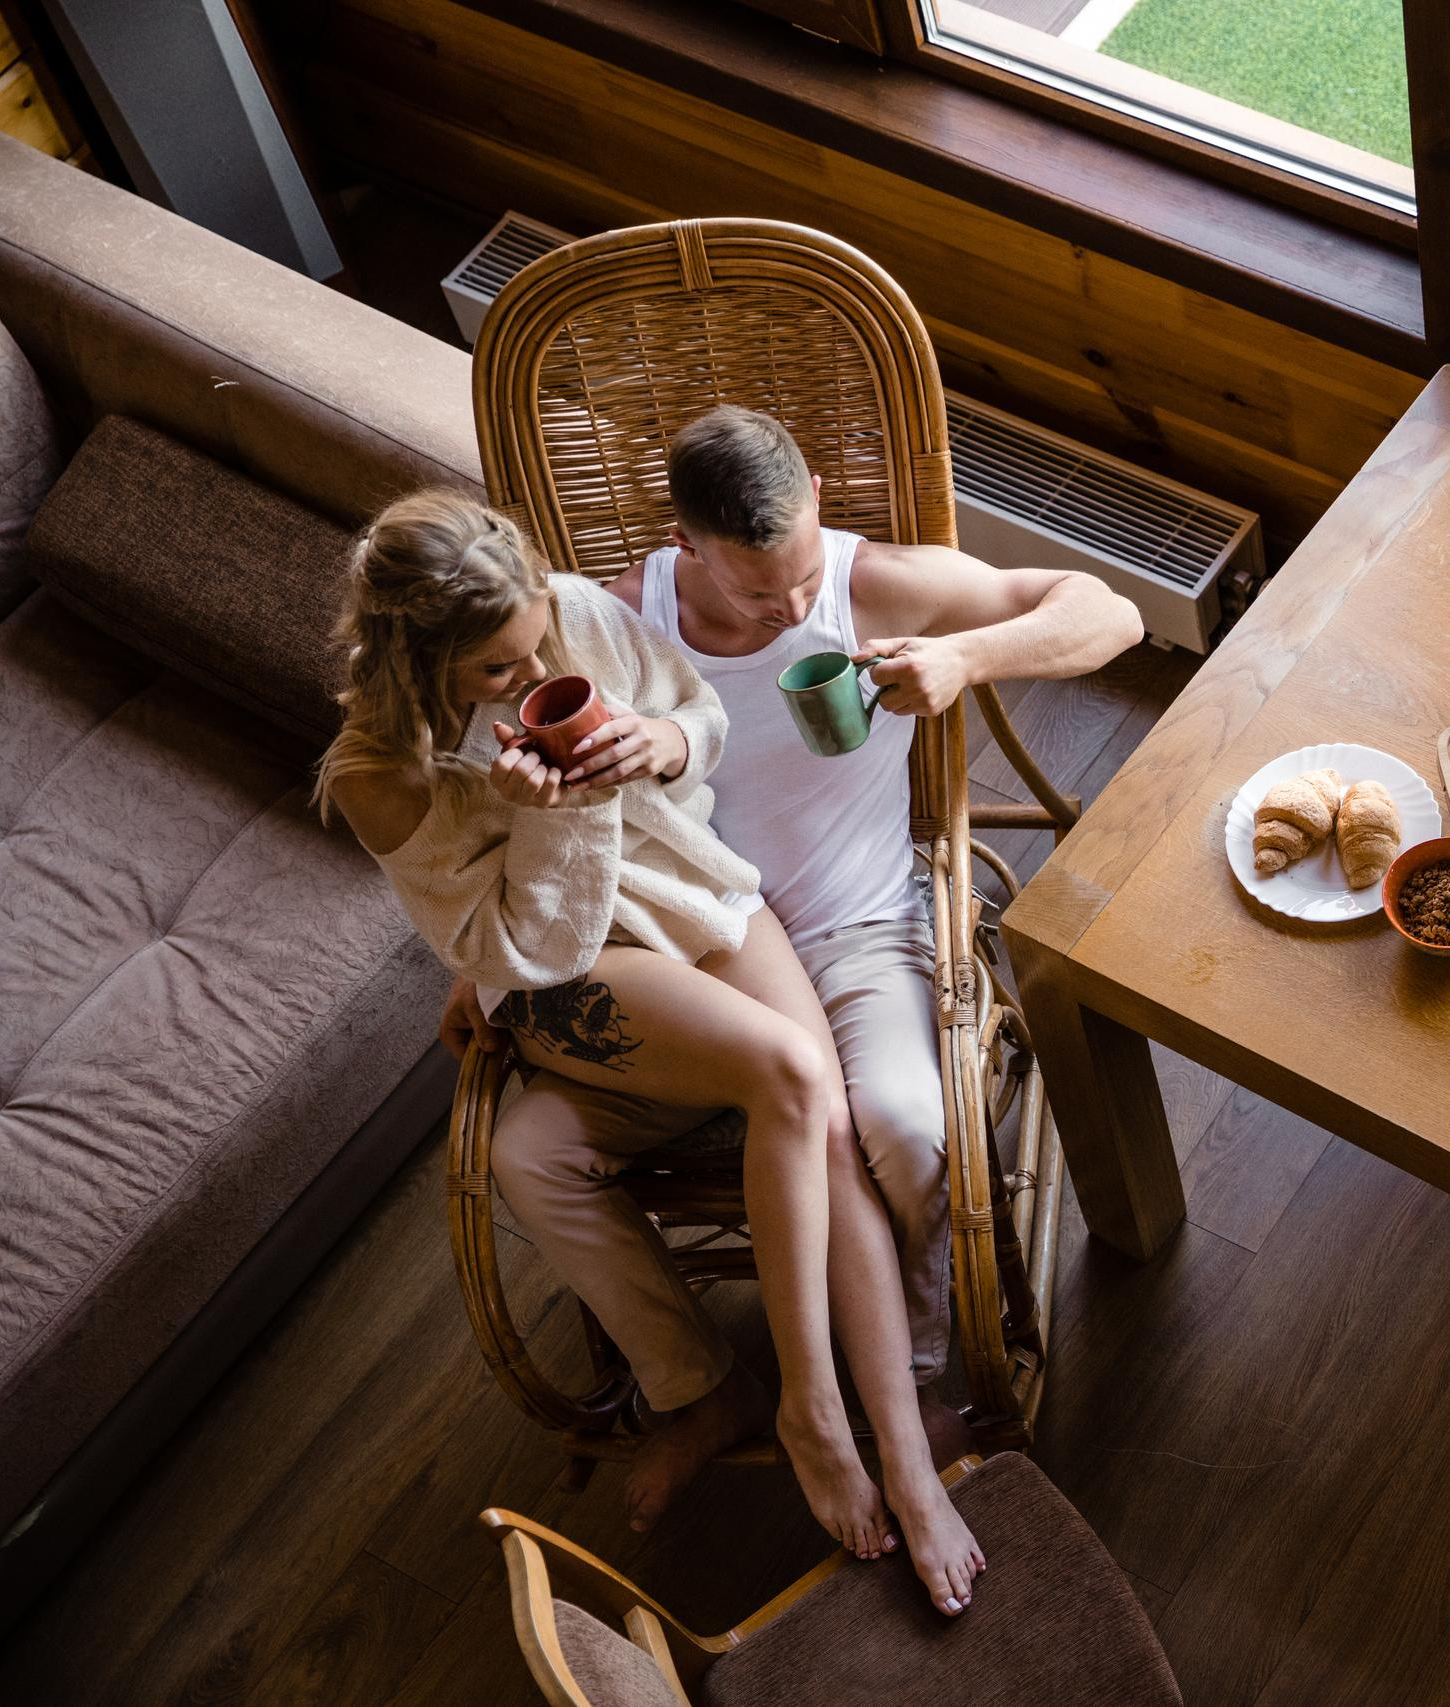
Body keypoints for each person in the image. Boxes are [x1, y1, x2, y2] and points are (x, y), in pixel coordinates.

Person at [434, 407, 1142, 1533]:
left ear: (816, 490)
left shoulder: (872, 586)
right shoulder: (619, 621)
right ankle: (703, 1390)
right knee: (531, 1155)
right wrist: (492, 964)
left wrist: (963, 657)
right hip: (692, 958)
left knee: (905, 1128)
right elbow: (510, 811)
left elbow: (1108, 611)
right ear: (685, 546)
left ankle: (899, 1383)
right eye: (762, 595)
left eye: (802, 573)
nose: (792, 608)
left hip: (859, 937)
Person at [320, 490, 986, 1615]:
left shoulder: (570, 611)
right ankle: (806, 1413)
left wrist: (662, 740)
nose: (527, 678)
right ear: (412, 661)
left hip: (691, 901)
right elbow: (525, 948)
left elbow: (698, 721)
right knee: (787, 1072)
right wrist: (562, 815)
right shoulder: (379, 776)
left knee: (818, 1109)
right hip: (558, 972)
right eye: (492, 672)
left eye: (535, 645)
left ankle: (906, 1462)